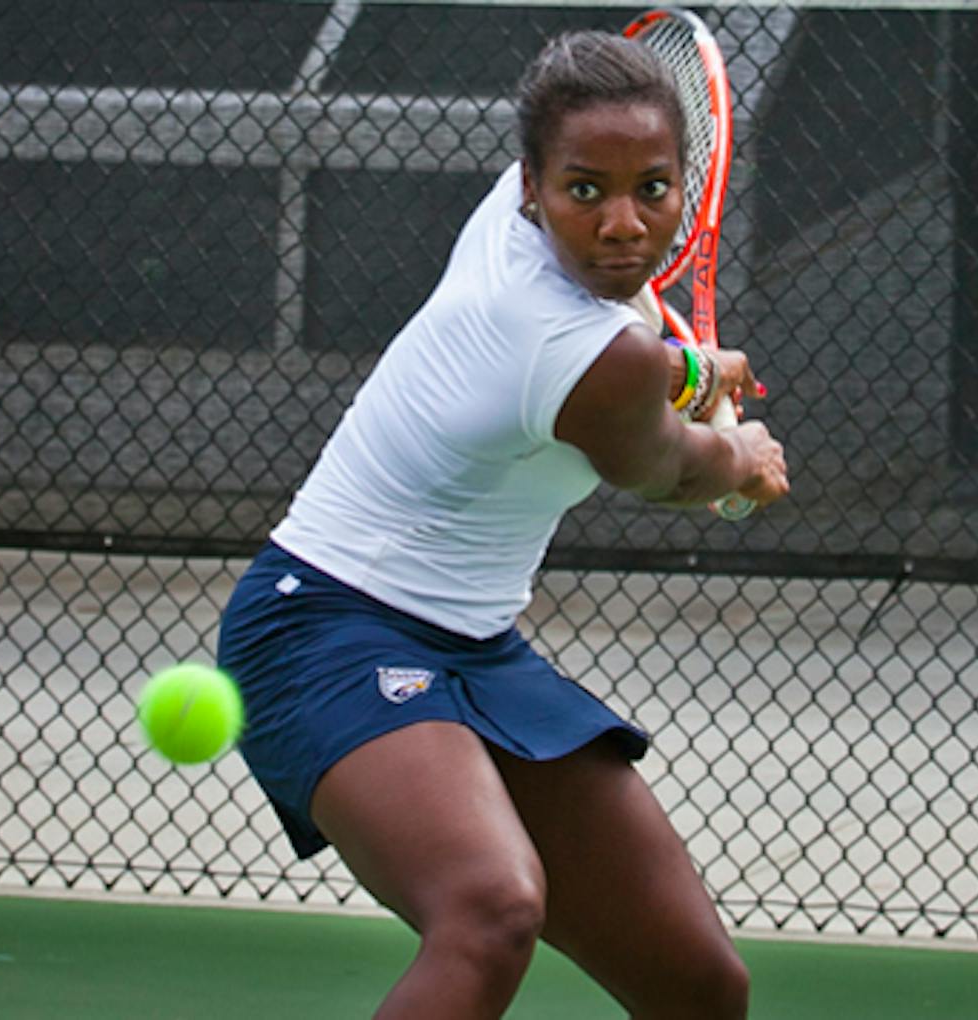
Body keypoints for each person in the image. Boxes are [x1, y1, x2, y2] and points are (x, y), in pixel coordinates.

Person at [216, 29, 788, 1020]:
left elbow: (637, 364)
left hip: (476, 646)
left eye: (651, 189)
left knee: (697, 983)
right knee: (488, 908)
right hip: (322, 625)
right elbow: (670, 467)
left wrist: (691, 371)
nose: (620, 223)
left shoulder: (528, 240)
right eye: (584, 191)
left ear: (680, 189)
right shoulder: (574, 347)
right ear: (532, 188)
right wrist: (743, 457)